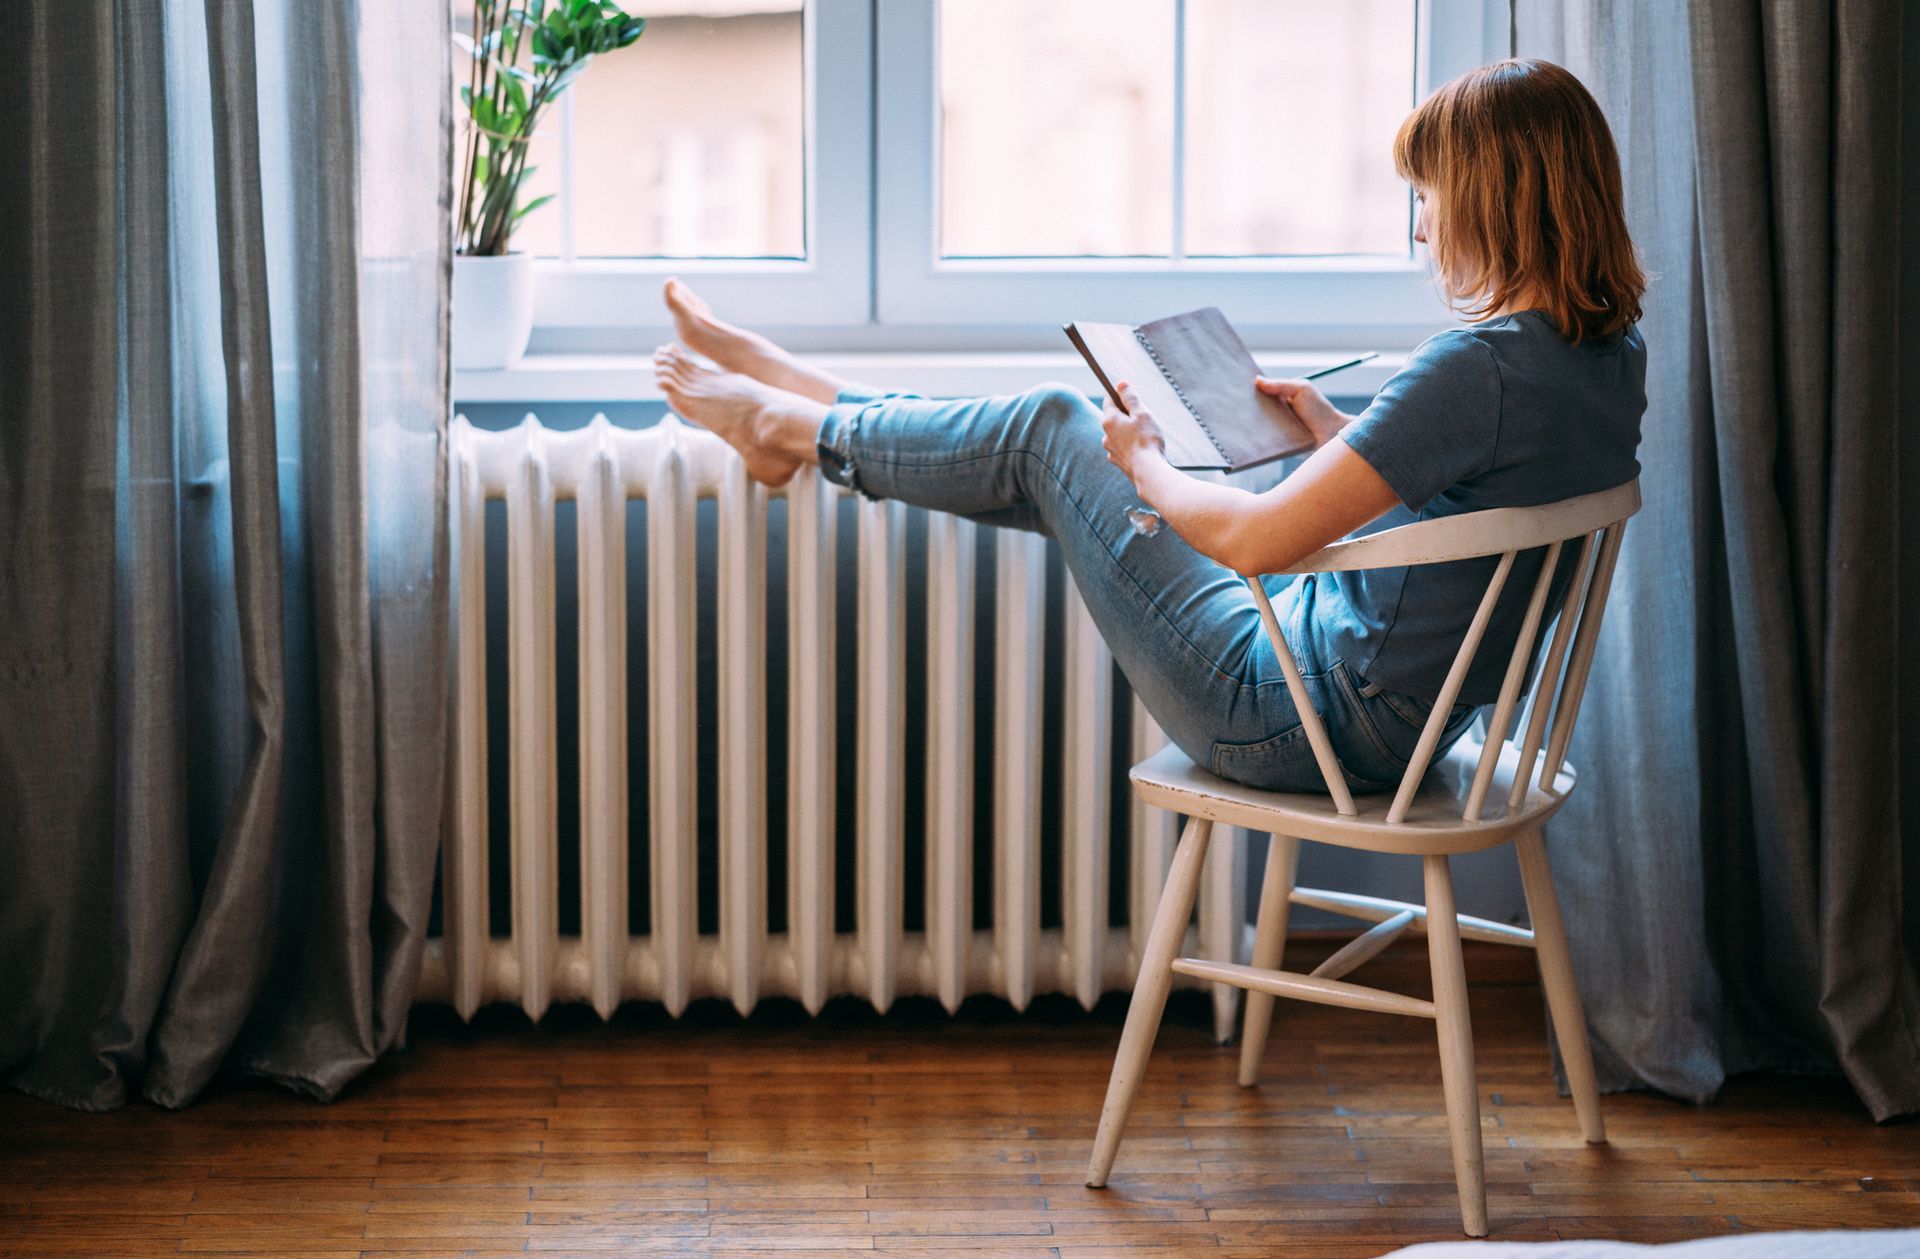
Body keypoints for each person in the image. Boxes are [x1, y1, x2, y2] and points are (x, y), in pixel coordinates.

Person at [651, 58, 1647, 795]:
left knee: (1055, 428)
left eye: (1428, 197)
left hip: (1301, 721)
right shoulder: (1601, 360)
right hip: (1396, 713)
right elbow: (1491, 494)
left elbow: (1258, 540)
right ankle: (812, 407)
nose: (1421, 225)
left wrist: (1149, 464)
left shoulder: (1472, 369)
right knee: (1046, 455)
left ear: (1489, 201)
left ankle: (805, 424)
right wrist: (1335, 430)